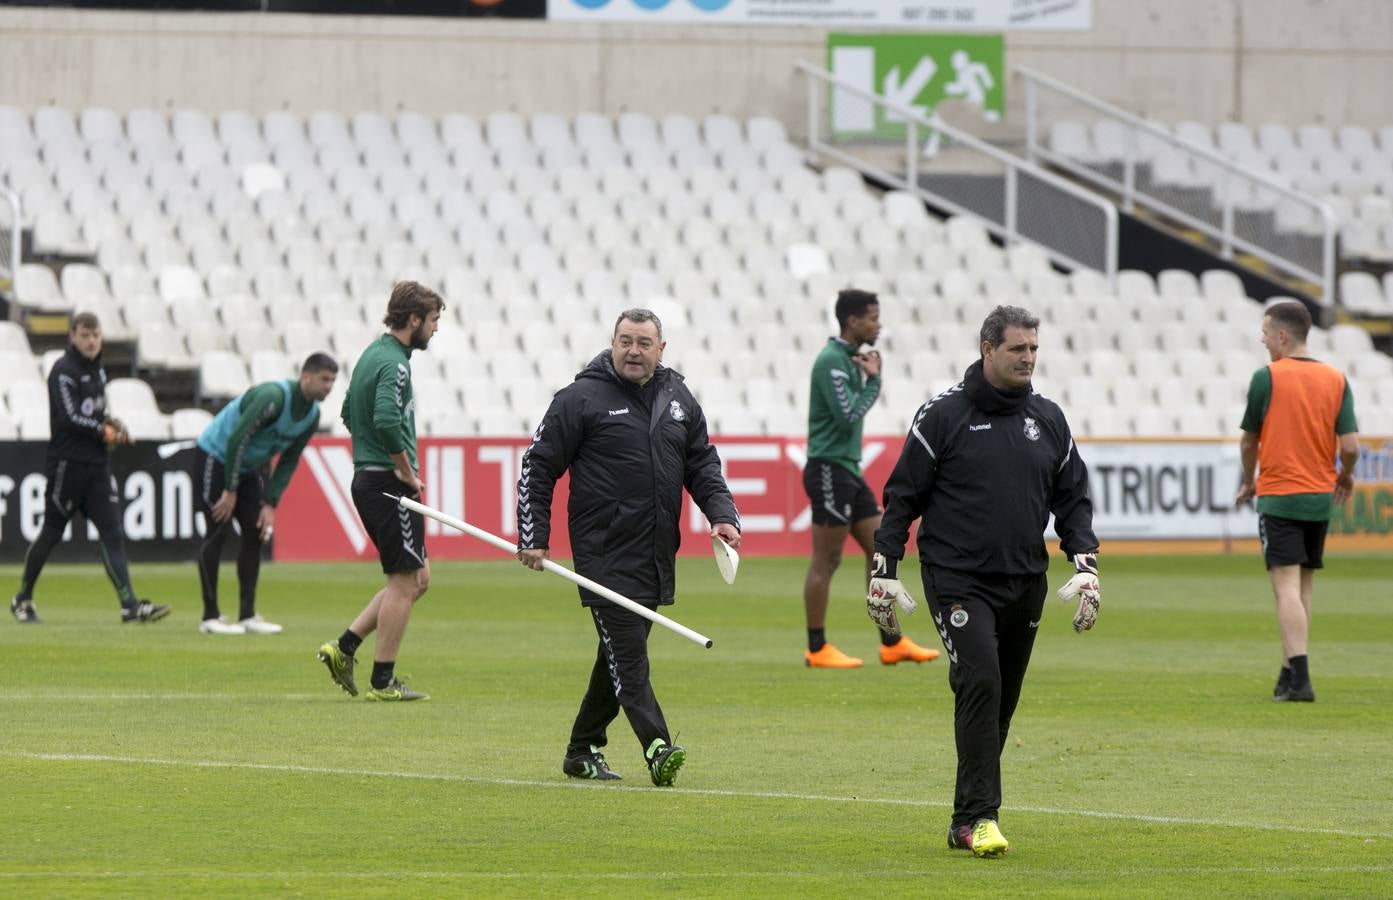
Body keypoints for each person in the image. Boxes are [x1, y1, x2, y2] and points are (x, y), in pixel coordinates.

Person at [866, 305, 1100, 859]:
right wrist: (884, 567)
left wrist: (1085, 562)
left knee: (1000, 703)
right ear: (987, 349)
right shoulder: (943, 415)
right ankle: (980, 818)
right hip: (957, 579)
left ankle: (961, 818)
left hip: (1026, 579)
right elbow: (903, 497)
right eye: (1018, 348)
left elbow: (1072, 498)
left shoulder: (1049, 419)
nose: (1028, 358)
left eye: (1034, 349)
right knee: (980, 681)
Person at [516, 308, 741, 787]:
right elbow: (537, 467)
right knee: (629, 655)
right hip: (603, 553)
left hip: (657, 551)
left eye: (643, 342)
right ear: (612, 343)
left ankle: (582, 749)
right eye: (625, 341)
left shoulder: (678, 397)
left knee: (617, 652)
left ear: (662, 349)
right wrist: (534, 536)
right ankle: (658, 746)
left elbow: (702, 462)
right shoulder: (580, 398)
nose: (633, 350)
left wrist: (722, 514)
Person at [317, 281, 442, 701]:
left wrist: (369, 456)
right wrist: (402, 469)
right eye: (433, 320)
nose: (435, 329)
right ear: (413, 320)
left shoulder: (374, 354)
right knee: (405, 582)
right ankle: (383, 682)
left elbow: (349, 411)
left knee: (418, 579)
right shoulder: (395, 364)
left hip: (373, 478)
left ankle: (344, 647)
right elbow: (387, 419)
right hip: (388, 484)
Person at [802, 288, 938, 668]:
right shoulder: (831, 361)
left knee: (881, 549)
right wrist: (874, 382)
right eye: (873, 318)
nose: (879, 325)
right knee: (826, 560)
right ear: (853, 321)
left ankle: (891, 642)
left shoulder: (846, 359)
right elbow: (847, 415)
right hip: (828, 467)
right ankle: (816, 648)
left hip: (845, 468)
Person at [10, 312, 170, 625]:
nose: (91, 341)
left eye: (95, 335)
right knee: (51, 533)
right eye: (84, 335)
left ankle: (130, 605)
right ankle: (23, 597)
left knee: (112, 532)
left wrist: (112, 423)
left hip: (96, 465)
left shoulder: (97, 369)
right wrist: (102, 430)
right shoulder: (63, 370)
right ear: (72, 336)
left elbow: (97, 412)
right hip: (67, 466)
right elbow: (69, 417)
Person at [1235, 300, 1359, 704]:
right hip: (1320, 497)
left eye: (1266, 334)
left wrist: (1247, 480)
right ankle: (1288, 672)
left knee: (1284, 588)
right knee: (1303, 586)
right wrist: (1344, 475)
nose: (1263, 340)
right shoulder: (1337, 379)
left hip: (1280, 495)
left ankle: (1301, 680)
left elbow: (1249, 439)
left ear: (1282, 336)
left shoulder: (1267, 377)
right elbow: (1352, 446)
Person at [193, 353, 339, 635]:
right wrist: (230, 488)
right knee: (217, 531)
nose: (329, 386)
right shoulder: (273, 397)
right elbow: (238, 437)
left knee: (255, 532)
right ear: (306, 377)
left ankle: (247, 615)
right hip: (216, 455)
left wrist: (271, 503)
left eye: (333, 380)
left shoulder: (311, 416)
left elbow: (289, 460)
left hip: (250, 466)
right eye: (324, 379)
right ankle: (210, 616)